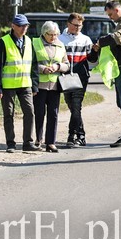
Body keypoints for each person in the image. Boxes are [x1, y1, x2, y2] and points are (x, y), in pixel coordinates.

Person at [90, 1, 121, 147]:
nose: (110, 17)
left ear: (117, 10)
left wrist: (100, 42)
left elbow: (119, 38)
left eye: (111, 14)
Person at [0, 14, 39, 153]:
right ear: (13, 26)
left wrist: (35, 84)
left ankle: (28, 143)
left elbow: (34, 65)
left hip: (25, 84)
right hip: (8, 86)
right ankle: (10, 143)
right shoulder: (4, 42)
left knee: (30, 112)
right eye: (21, 25)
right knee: (9, 115)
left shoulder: (29, 41)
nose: (24, 28)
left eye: (26, 25)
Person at [33, 21, 70, 153]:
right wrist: (42, 68)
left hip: (55, 85)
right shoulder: (35, 43)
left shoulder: (60, 45)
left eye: (55, 34)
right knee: (39, 113)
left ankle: (51, 142)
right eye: (51, 35)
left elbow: (67, 64)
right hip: (40, 85)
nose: (53, 37)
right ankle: (38, 140)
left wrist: (58, 67)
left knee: (53, 115)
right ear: (44, 33)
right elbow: (29, 64)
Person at [59, 13, 92, 147]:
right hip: (65, 77)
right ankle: (81, 135)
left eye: (80, 25)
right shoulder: (60, 39)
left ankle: (72, 136)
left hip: (81, 78)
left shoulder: (85, 39)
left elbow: (92, 60)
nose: (78, 28)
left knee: (76, 106)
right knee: (72, 106)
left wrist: (94, 53)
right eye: (75, 25)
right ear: (68, 24)